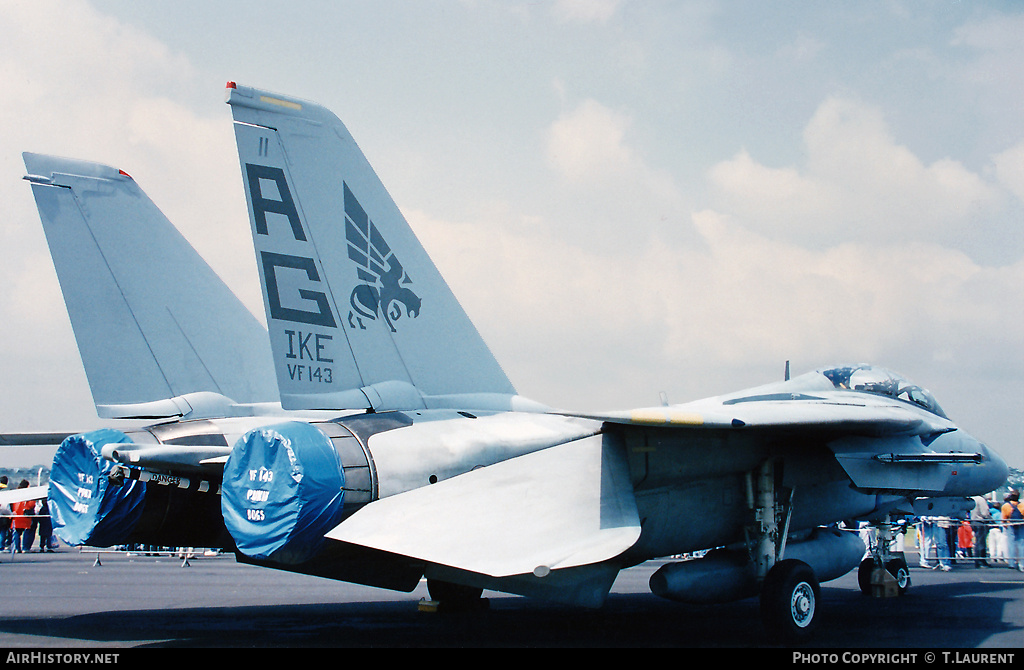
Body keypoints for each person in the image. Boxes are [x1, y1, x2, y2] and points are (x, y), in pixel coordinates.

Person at [9, 480, 36, 554]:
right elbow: (31, 505)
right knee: (27, 532)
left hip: (16, 515)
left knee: (17, 532)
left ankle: (17, 548)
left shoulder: (15, 494)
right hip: (25, 515)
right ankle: (25, 547)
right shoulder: (29, 494)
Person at [1001, 490, 1024, 571]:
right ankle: (1022, 563)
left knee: (1011, 544)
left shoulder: (1006, 506)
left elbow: (1004, 518)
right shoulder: (1022, 505)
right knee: (1021, 544)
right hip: (1021, 524)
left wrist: (1005, 525)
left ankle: (1011, 563)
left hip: (1010, 524)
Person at [971, 495, 992, 566]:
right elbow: (985, 513)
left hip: (973, 521)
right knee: (981, 542)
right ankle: (981, 560)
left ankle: (977, 560)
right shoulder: (981, 500)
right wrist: (990, 518)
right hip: (980, 522)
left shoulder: (972, 498)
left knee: (977, 542)